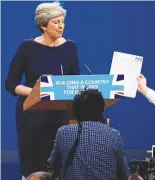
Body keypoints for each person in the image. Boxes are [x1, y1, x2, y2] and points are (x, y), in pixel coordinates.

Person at [5, 2, 80, 179]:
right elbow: (11, 84)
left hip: (60, 115)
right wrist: (36, 92)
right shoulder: (27, 48)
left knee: (58, 167)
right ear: (43, 25)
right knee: (33, 167)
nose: (61, 26)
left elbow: (75, 80)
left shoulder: (70, 47)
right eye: (56, 22)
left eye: (63, 21)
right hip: (32, 116)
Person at [47, 89, 143, 180]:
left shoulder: (63, 132)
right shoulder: (114, 135)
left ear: (76, 112)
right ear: (101, 111)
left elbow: (52, 165)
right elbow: (124, 173)